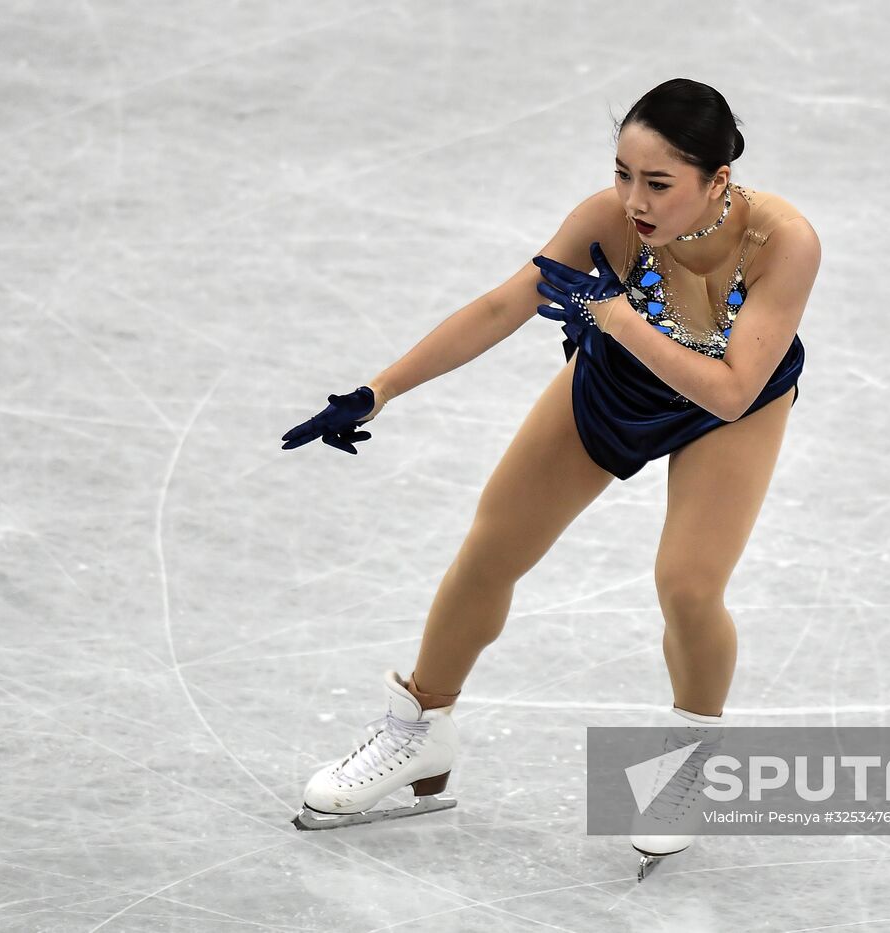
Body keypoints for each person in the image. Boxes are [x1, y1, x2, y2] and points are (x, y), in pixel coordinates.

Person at [282, 78, 821, 874]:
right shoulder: (607, 221)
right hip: (614, 387)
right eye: (622, 173)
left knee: (689, 584)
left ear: (719, 180)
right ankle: (420, 727)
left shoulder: (784, 242)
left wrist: (616, 315)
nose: (633, 200)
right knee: (492, 547)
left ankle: (690, 763)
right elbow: (504, 305)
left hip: (728, 411)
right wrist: (380, 389)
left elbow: (732, 387)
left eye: (658, 183)